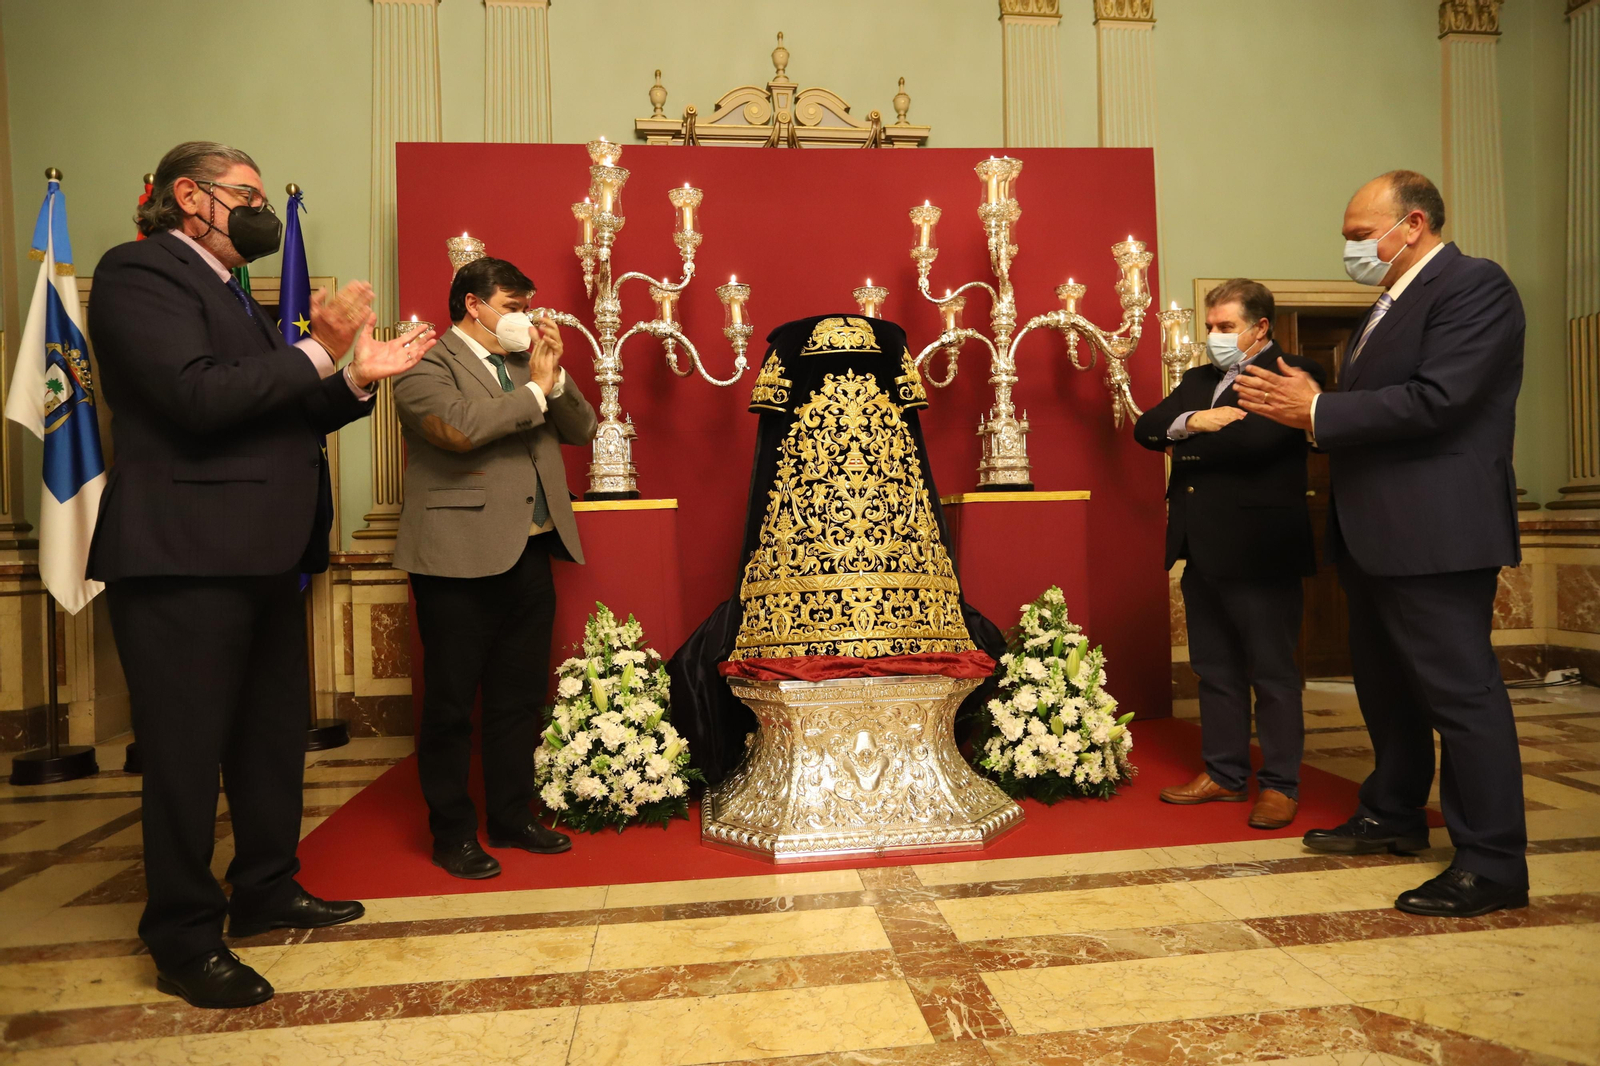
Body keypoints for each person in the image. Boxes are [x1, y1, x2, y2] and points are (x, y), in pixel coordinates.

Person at [87, 141, 435, 1008]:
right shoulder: (139, 272)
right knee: (184, 756)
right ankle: (182, 936)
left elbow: (274, 406)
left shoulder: (231, 293)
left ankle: (266, 888)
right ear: (188, 196)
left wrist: (356, 378)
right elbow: (197, 398)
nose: (258, 209)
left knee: (270, 738)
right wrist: (321, 347)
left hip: (266, 553)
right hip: (182, 557)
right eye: (243, 193)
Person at [1235, 170, 1527, 918]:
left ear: (1415, 225)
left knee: (1461, 697)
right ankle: (1393, 814)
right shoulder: (1387, 306)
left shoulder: (1473, 286)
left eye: (1362, 236)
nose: (1351, 249)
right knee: (1388, 690)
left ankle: (1491, 861)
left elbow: (1441, 399)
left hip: (1437, 531)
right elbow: (1370, 404)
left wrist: (1320, 409)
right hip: (1373, 535)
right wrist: (1307, 403)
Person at [394, 257, 598, 880]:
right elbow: (457, 429)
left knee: (517, 697)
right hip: (456, 557)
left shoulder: (526, 364)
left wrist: (554, 381)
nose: (524, 318)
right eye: (512, 307)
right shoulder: (424, 364)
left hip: (529, 551)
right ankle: (452, 832)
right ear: (472, 305)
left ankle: (511, 817)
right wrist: (533, 392)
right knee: (452, 704)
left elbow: (584, 429)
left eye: (526, 306)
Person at [1135, 280, 1324, 831]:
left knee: (1273, 674)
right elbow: (1147, 429)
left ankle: (1281, 786)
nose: (1213, 336)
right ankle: (1224, 773)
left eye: (1225, 327)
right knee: (1214, 669)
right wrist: (1197, 420)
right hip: (1201, 546)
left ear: (1259, 327)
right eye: (1210, 326)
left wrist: (1184, 445)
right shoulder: (1197, 380)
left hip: (1262, 550)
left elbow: (1255, 444)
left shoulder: (1292, 373)